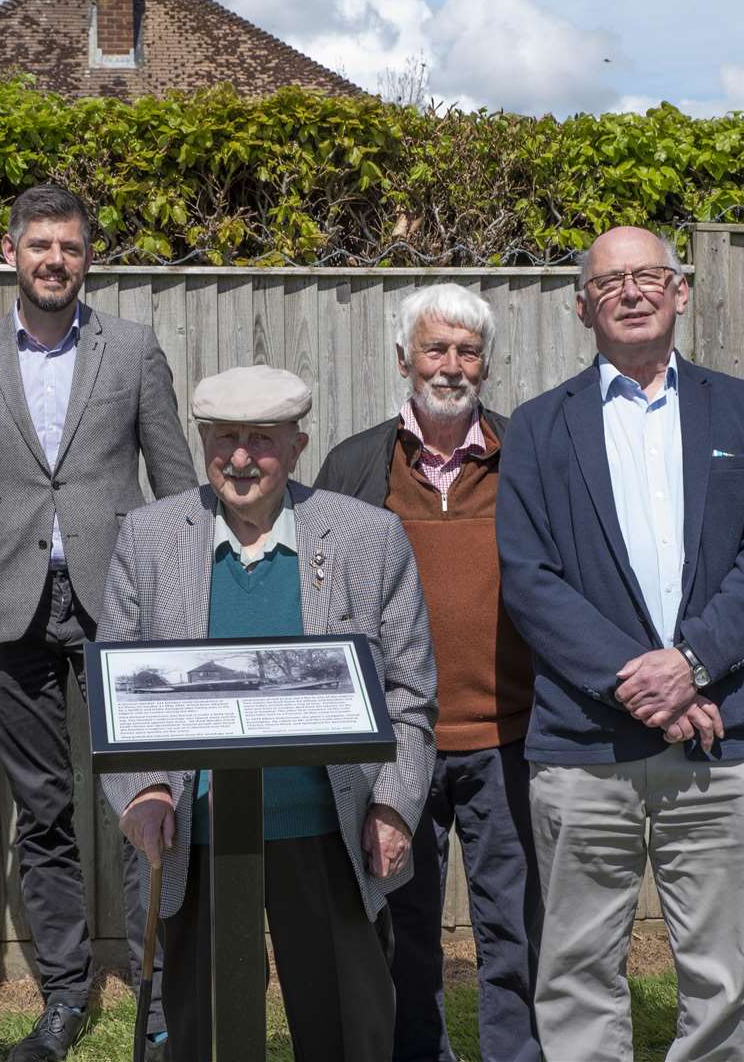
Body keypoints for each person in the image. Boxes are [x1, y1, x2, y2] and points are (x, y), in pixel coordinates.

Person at [495, 226, 744, 1060]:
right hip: (586, 746)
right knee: (577, 965)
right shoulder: (536, 427)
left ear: (681, 290)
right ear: (581, 305)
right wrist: (641, 682)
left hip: (721, 735)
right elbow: (530, 577)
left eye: (648, 276)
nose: (631, 292)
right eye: (610, 281)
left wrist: (691, 663)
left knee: (720, 971)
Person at [100, 365, 437, 1062]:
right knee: (207, 1037)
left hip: (329, 831)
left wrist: (394, 806)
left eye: (262, 440)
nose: (242, 458)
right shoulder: (150, 537)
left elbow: (409, 692)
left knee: (347, 1031)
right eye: (225, 439)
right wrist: (144, 791)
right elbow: (117, 689)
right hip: (199, 833)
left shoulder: (366, 537)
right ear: (203, 446)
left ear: (298, 445)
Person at [0, 184, 197, 1061]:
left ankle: (155, 998)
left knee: (144, 797)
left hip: (119, 600)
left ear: (89, 258)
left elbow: (177, 488)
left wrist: (184, 597)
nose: (54, 260)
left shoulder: (133, 350)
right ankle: (64, 998)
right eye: (38, 245)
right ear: (10, 253)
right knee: (41, 811)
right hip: (7, 602)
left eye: (70, 247)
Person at [316, 283, 539, 1062]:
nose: (451, 366)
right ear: (404, 357)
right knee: (404, 929)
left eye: (467, 351)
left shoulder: (526, 455)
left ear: (487, 362)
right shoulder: (356, 464)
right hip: (398, 746)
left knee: (512, 924)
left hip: (507, 736)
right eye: (436, 348)